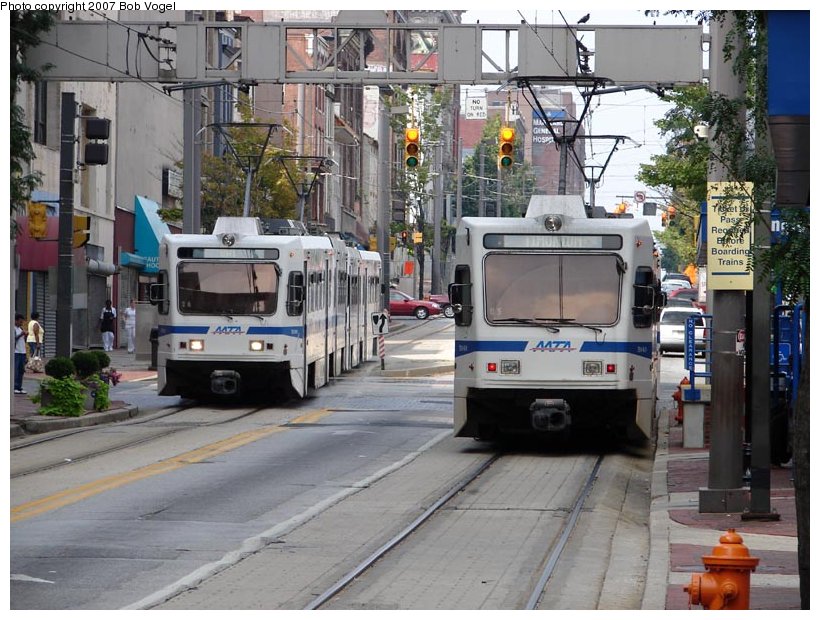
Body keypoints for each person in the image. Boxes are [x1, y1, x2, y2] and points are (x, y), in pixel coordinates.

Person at [14, 313, 28, 394]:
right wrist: (21, 334)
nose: (21, 323)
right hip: (16, 352)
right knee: (15, 370)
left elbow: (23, 341)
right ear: (15, 320)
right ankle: (14, 386)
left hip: (22, 352)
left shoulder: (21, 329)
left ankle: (19, 387)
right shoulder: (13, 329)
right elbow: (13, 339)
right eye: (20, 322)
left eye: (22, 322)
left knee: (21, 370)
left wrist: (25, 336)